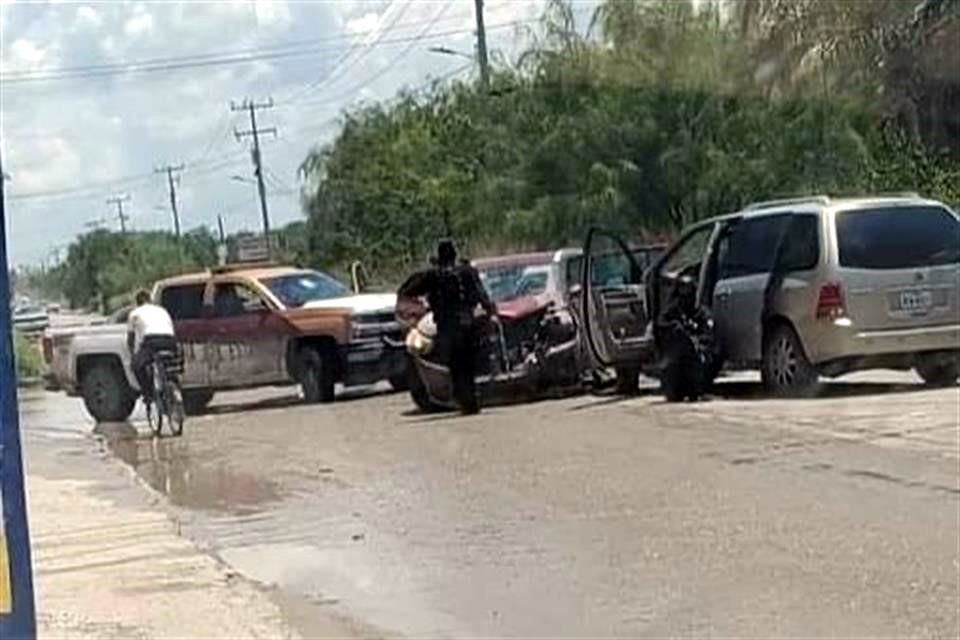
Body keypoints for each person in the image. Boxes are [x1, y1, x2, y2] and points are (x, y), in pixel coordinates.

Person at [398, 240, 497, 414]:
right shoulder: (468, 272)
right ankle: (471, 400)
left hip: (448, 328)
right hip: (468, 324)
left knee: (456, 366)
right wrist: (490, 311)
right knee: (468, 365)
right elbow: (482, 295)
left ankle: (465, 402)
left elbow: (407, 289)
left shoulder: (434, 276)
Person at [127, 289, 177, 404]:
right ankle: (172, 385)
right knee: (168, 365)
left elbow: (130, 339)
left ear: (137, 302)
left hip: (152, 341)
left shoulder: (134, 313)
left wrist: (133, 356)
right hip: (170, 340)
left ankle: (148, 394)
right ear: (150, 300)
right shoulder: (162, 310)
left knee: (137, 366)